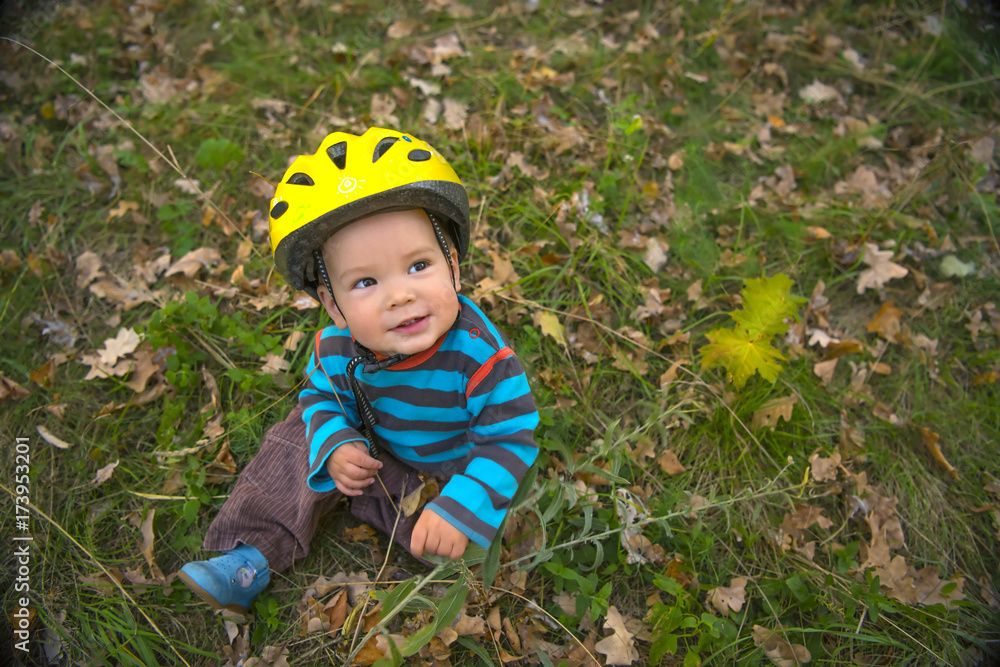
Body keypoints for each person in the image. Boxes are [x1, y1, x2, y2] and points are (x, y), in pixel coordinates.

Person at [178, 128, 540, 613]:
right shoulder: (336, 345)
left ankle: (440, 523)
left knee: (454, 543)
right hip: (368, 451)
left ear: (452, 264)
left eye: (418, 266)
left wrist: (463, 505)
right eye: (366, 281)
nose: (399, 295)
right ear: (332, 303)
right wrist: (335, 442)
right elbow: (321, 397)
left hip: (446, 471)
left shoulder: (481, 357)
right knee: (299, 439)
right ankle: (251, 555)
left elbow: (510, 439)